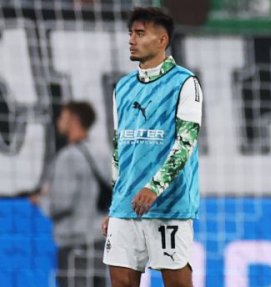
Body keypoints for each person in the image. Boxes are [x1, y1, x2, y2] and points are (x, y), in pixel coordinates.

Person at [103, 6, 203, 287]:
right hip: (125, 206)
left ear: (162, 40)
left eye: (140, 33)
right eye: (130, 33)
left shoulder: (185, 83)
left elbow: (186, 142)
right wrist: (114, 205)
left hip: (169, 206)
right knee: (121, 282)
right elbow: (118, 149)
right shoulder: (122, 87)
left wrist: (154, 187)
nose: (131, 40)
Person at [37, 101, 110, 287]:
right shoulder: (103, 154)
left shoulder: (67, 157)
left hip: (75, 247)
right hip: (101, 244)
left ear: (74, 119)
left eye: (63, 116)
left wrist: (42, 200)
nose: (58, 121)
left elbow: (61, 203)